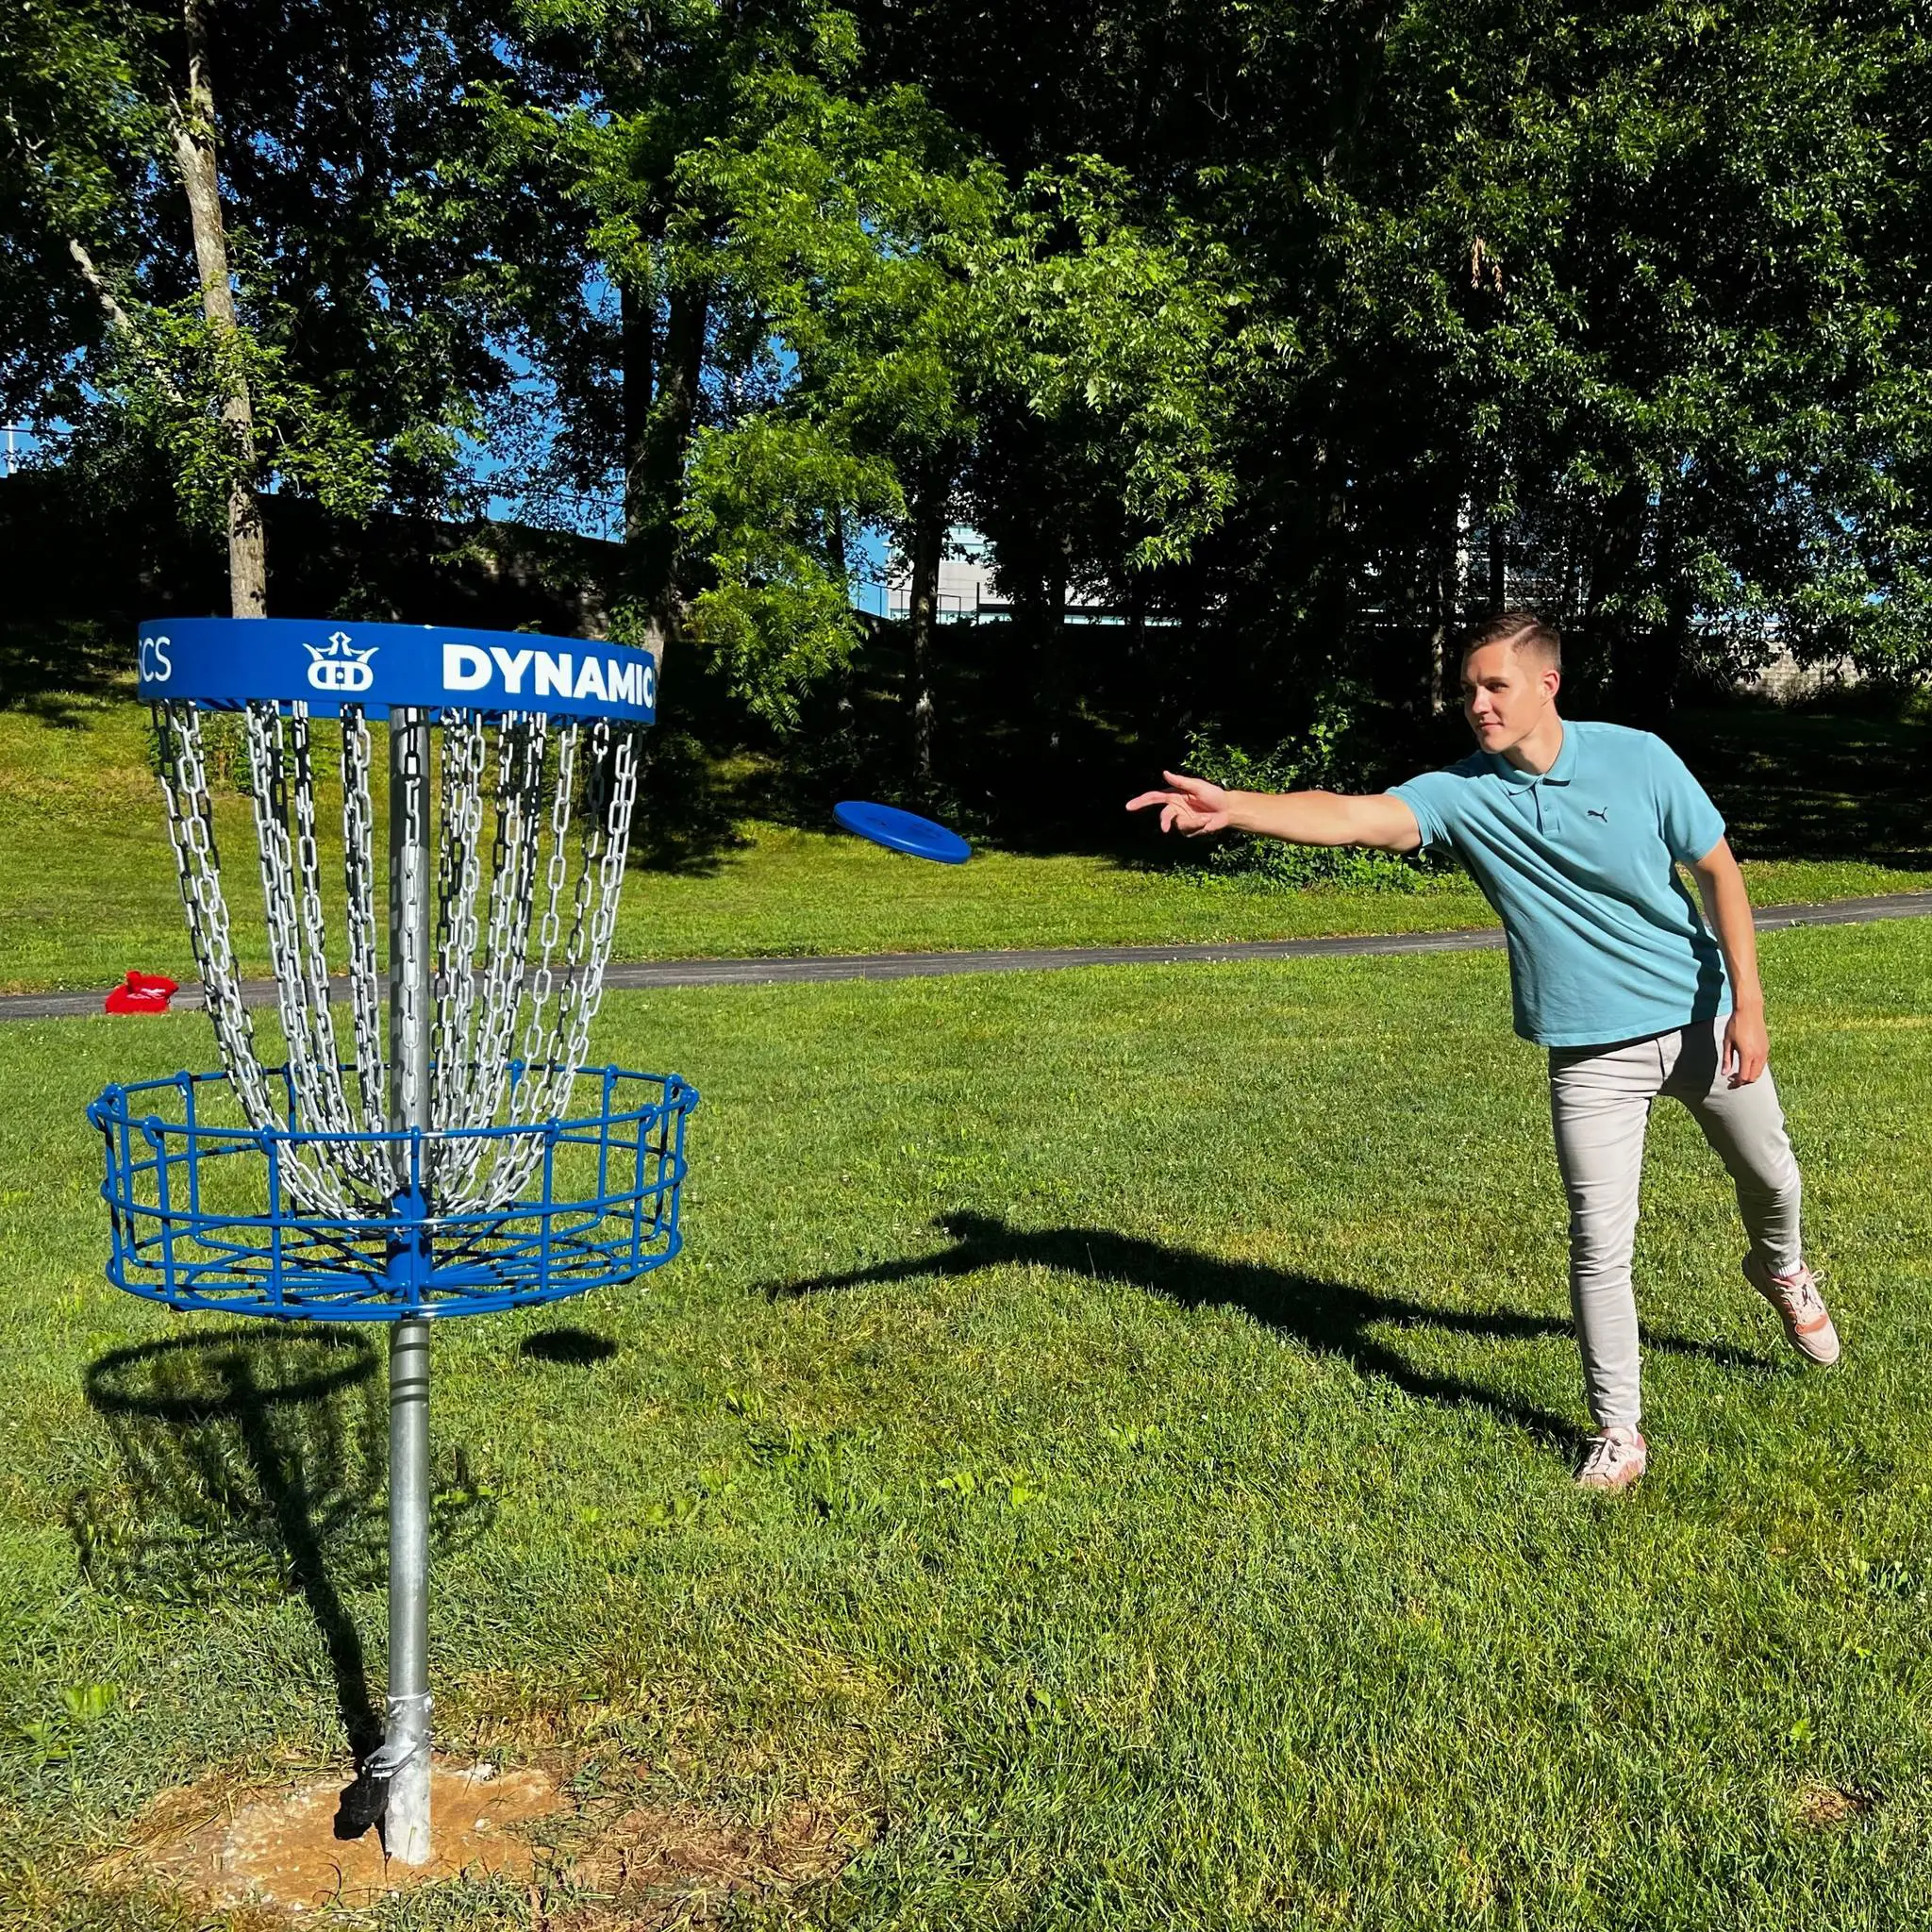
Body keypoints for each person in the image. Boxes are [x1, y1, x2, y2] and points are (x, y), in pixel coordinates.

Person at [1127, 610, 1838, 1492]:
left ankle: (1781, 1268)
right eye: (1469, 689)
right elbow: (1354, 817)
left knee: (1773, 1179)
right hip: (1588, 1052)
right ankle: (1620, 1431)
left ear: (1548, 685)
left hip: (1701, 1017)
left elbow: (1720, 871)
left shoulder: (1640, 757)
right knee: (1598, 1242)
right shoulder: (1462, 795)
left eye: (1494, 685)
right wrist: (1236, 808)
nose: (1477, 704)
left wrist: (1749, 1005)